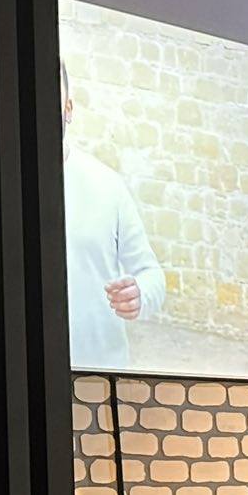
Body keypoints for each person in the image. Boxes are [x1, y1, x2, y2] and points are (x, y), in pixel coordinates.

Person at [61, 60, 166, 370]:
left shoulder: (107, 185)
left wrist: (140, 293)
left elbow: (151, 274)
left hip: (98, 376)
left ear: (69, 108)